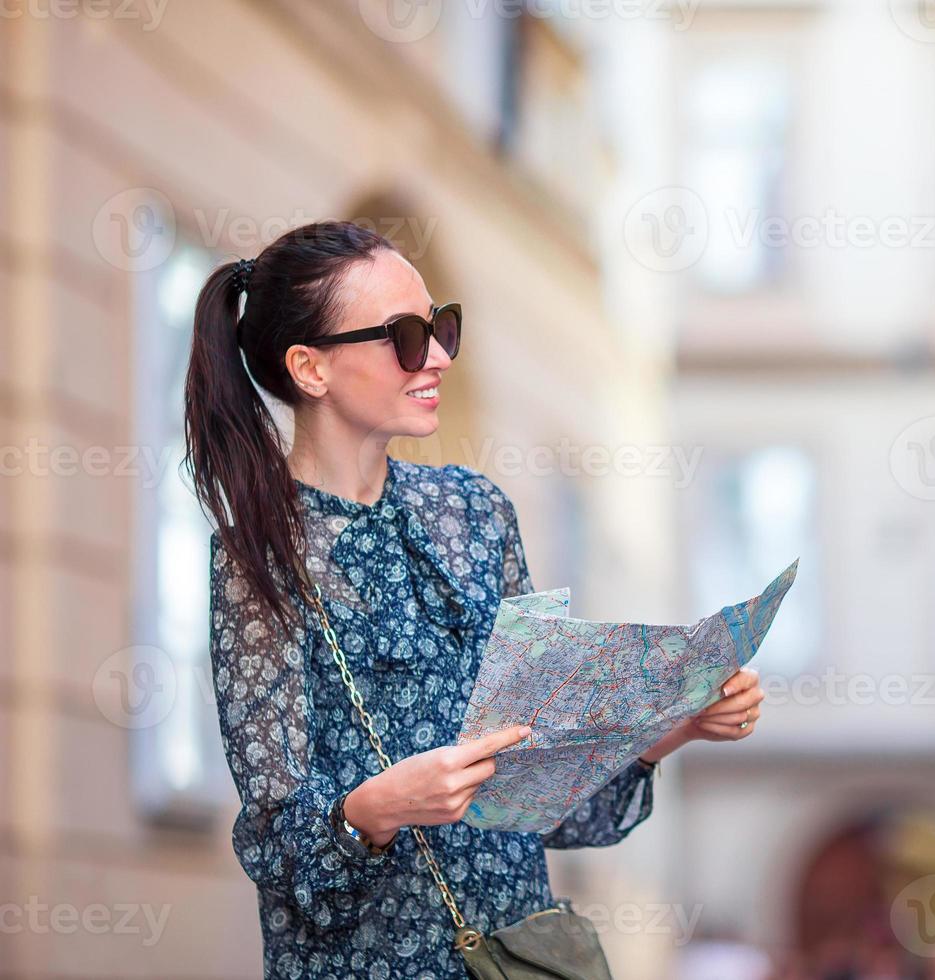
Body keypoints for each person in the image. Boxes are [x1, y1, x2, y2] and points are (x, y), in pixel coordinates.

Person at [183, 220, 766, 978]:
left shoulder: (477, 513)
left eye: (442, 327)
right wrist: (380, 806)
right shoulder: (254, 556)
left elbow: (543, 783)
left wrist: (672, 726)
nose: (439, 357)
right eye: (405, 336)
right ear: (311, 369)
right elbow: (284, 861)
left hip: (519, 957)